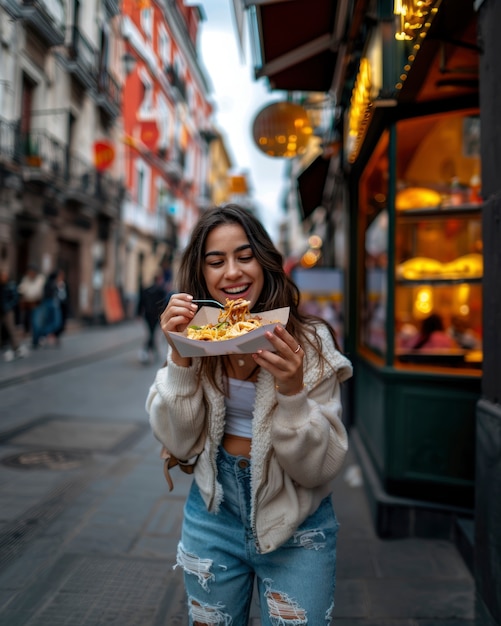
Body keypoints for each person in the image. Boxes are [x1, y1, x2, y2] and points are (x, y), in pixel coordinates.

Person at [146, 204, 353, 625]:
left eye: (245, 256)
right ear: (201, 274)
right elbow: (179, 441)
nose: (232, 273)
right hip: (213, 511)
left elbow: (319, 468)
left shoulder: (310, 343)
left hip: (297, 521)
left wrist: (292, 392)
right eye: (216, 261)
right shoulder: (195, 337)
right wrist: (179, 356)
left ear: (265, 261)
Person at [137, 272, 168, 363]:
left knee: (151, 333)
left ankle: (150, 351)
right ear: (159, 280)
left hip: (148, 315)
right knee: (152, 334)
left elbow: (141, 302)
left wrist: (139, 314)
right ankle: (147, 351)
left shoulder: (147, 290)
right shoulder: (161, 291)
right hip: (156, 315)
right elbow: (164, 304)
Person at [0, 268, 29, 361]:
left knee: (11, 328)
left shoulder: (11, 286)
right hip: (1, 310)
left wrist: (8, 306)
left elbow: (15, 299)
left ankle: (16, 347)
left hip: (7, 310)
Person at [32, 270, 62, 348]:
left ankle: (41, 335)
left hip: (49, 304)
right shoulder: (51, 284)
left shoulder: (52, 283)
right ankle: (41, 335)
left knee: (52, 322)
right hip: (49, 304)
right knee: (55, 322)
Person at [17, 265, 45, 338]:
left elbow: (39, 292)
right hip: (27, 304)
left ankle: (36, 339)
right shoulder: (26, 279)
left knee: (36, 322)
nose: (30, 274)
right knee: (26, 320)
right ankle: (28, 334)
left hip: (37, 304)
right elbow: (21, 289)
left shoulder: (40, 279)